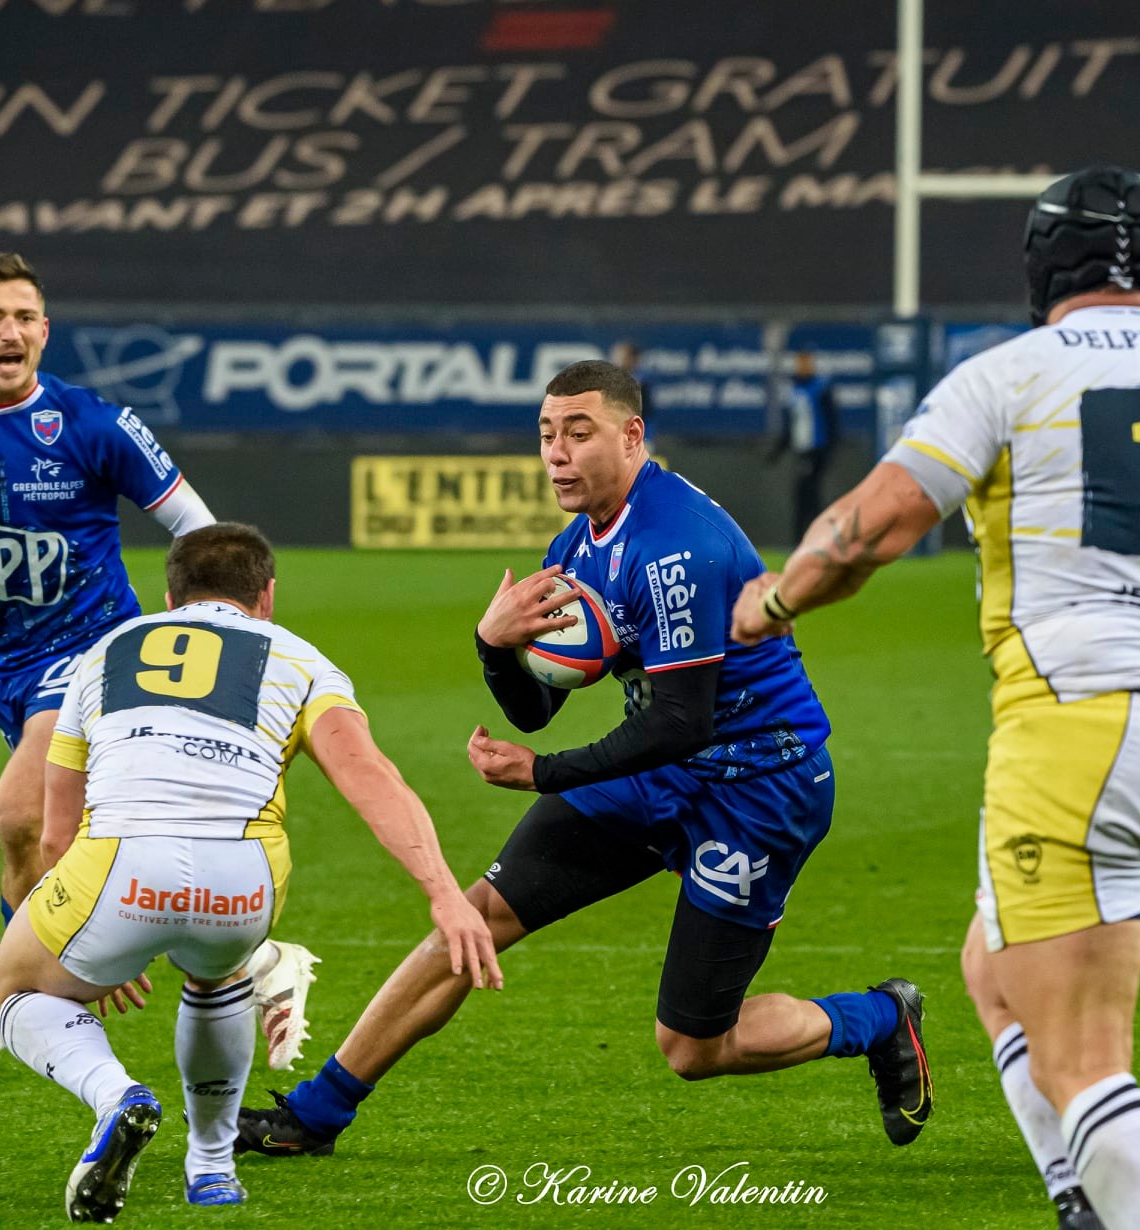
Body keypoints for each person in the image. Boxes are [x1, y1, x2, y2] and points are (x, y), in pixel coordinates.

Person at [730, 167, 1140, 1230]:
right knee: (989, 964)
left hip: (1079, 738)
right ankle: (1080, 1202)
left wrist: (767, 605)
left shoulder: (1012, 374)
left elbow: (871, 530)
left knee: (1088, 1065)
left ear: (1042, 264)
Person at [235, 359, 933, 1160]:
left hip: (758, 787)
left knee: (694, 1047)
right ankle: (315, 1115)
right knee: (478, 917)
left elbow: (680, 721)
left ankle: (882, 1018)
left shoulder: (677, 546)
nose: (557, 453)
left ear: (633, 436)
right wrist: (492, 646)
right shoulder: (577, 543)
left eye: (579, 432)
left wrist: (540, 771)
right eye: (546, 434)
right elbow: (537, 703)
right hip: (660, 771)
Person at [0, 252, 320, 1071]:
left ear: (45, 331)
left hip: (99, 655)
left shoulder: (91, 421)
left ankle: (16, 998)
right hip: (9, 666)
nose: (12, 331)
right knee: (98, 845)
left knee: (17, 815)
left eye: (26, 317)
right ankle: (256, 966)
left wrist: (211, 627)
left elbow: (199, 530)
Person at [0, 523, 500, 1220]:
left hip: (115, 865)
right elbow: (370, 778)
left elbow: (54, 831)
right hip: (243, 879)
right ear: (267, 596)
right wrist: (444, 893)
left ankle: (116, 1096)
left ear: (170, 597)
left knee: (15, 990)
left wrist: (100, 940)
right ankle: (212, 1165)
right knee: (218, 973)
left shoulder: (103, 653)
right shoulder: (302, 659)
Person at [770, 350, 841, 543]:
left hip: (816, 450)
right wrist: (778, 451)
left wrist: (828, 450)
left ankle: (816, 539)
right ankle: (803, 540)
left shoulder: (821, 387)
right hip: (801, 451)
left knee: (811, 494)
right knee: (802, 495)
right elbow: (791, 425)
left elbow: (832, 422)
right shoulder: (794, 388)